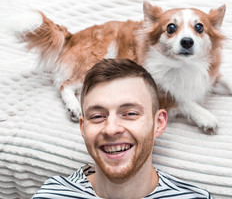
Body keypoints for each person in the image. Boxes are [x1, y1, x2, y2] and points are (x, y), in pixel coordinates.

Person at [32, 58, 212, 199]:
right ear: (83, 127)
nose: (111, 129)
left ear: (159, 123)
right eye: (97, 116)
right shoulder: (51, 195)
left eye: (130, 113)